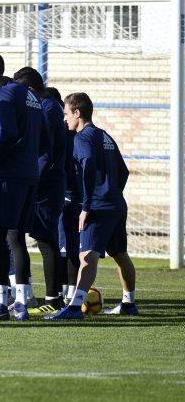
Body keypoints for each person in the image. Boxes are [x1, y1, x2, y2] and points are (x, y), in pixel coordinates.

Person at [47, 93, 138, 320]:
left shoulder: (83, 138)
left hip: (97, 207)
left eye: (66, 114)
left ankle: (75, 307)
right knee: (120, 254)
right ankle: (129, 303)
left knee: (87, 256)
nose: (64, 119)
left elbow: (87, 166)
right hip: (116, 204)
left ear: (77, 113)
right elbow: (123, 171)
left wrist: (87, 205)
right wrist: (113, 192)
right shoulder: (104, 135)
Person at [0, 65, 42, 321]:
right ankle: (22, 302)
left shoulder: (5, 94)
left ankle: (1, 302)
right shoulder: (31, 96)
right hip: (30, 174)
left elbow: (7, 133)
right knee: (17, 237)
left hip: (10, 175)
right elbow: (43, 136)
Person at [13, 68, 67, 315]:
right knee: (34, 237)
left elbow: (47, 150)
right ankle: (41, 295)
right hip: (42, 181)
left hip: (46, 184)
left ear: (31, 90)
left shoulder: (47, 108)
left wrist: (34, 177)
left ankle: (54, 298)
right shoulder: (47, 106)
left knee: (46, 239)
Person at [47, 86, 82, 303]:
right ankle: (67, 292)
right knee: (68, 246)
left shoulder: (67, 134)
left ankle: (66, 293)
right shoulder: (70, 132)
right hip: (71, 195)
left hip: (69, 196)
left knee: (67, 246)